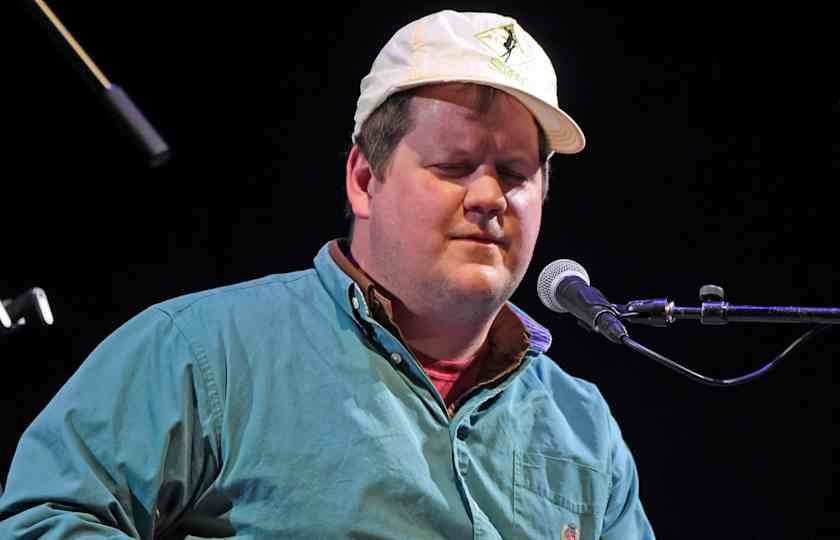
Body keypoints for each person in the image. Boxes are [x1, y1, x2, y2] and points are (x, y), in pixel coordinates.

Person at [0, 10, 654, 539]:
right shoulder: (201, 351)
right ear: (365, 180)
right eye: (455, 165)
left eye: (515, 174)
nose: (490, 197)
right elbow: (42, 522)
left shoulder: (583, 425)